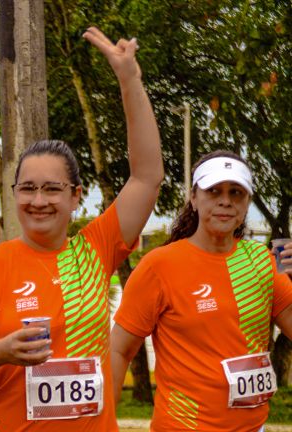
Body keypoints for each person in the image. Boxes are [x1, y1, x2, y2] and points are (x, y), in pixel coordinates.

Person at [0, 26, 163, 431]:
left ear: (76, 196)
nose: (39, 201)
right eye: (29, 189)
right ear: (15, 193)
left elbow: (147, 176)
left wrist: (129, 79)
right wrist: (1, 351)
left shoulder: (96, 249)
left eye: (53, 189)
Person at [111, 150, 292, 431]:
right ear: (194, 198)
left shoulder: (264, 262)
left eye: (236, 193)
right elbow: (119, 350)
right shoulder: (159, 265)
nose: (225, 201)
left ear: (247, 203)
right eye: (214, 191)